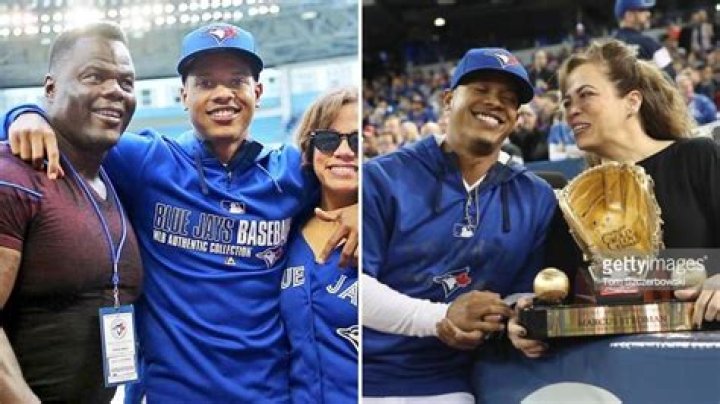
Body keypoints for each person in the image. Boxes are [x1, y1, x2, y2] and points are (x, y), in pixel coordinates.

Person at [3, 22, 358, 402]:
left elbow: (346, 174)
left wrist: (359, 207)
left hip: (269, 396)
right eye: (205, 83)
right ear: (183, 95)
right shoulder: (145, 161)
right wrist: (25, 114)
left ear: (257, 92)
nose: (223, 94)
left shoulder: (290, 173)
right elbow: (73, 128)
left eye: (237, 81)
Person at [362, 47, 557, 403]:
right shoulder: (380, 178)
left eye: (508, 99)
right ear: (448, 100)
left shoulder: (536, 196)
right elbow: (353, 286)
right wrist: (440, 318)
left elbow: (520, 293)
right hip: (364, 376)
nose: (494, 102)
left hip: (447, 382)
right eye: (481, 89)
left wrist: (518, 320)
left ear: (515, 119)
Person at [509, 39, 720, 357]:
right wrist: (527, 321)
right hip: (614, 372)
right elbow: (559, 295)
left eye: (586, 94)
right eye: (566, 102)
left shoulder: (698, 158)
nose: (571, 110)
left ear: (632, 101)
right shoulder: (573, 203)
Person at [0, 22, 142, 402]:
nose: (115, 91)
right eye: (94, 76)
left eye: (126, 82)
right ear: (50, 89)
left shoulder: (117, 177)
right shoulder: (13, 175)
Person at [281, 87, 358, 403]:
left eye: (357, 140)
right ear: (309, 148)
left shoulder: (391, 226)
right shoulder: (284, 231)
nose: (344, 151)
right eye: (328, 140)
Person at [613, 0, 675, 77]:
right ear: (629, 15)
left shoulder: (608, 46)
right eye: (642, 10)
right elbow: (670, 75)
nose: (648, 14)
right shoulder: (649, 44)